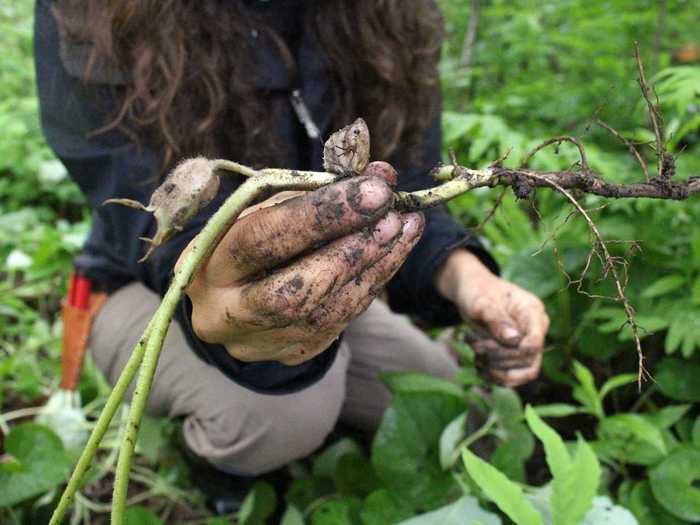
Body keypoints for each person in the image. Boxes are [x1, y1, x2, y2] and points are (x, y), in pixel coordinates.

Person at [35, 0, 549, 509]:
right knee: (283, 414)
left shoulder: (389, 17)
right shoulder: (101, 13)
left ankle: (311, 389)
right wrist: (216, 274)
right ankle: (221, 478)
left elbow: (407, 186)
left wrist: (472, 281)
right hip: (145, 283)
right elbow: (149, 219)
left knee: (437, 394)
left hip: (317, 274)